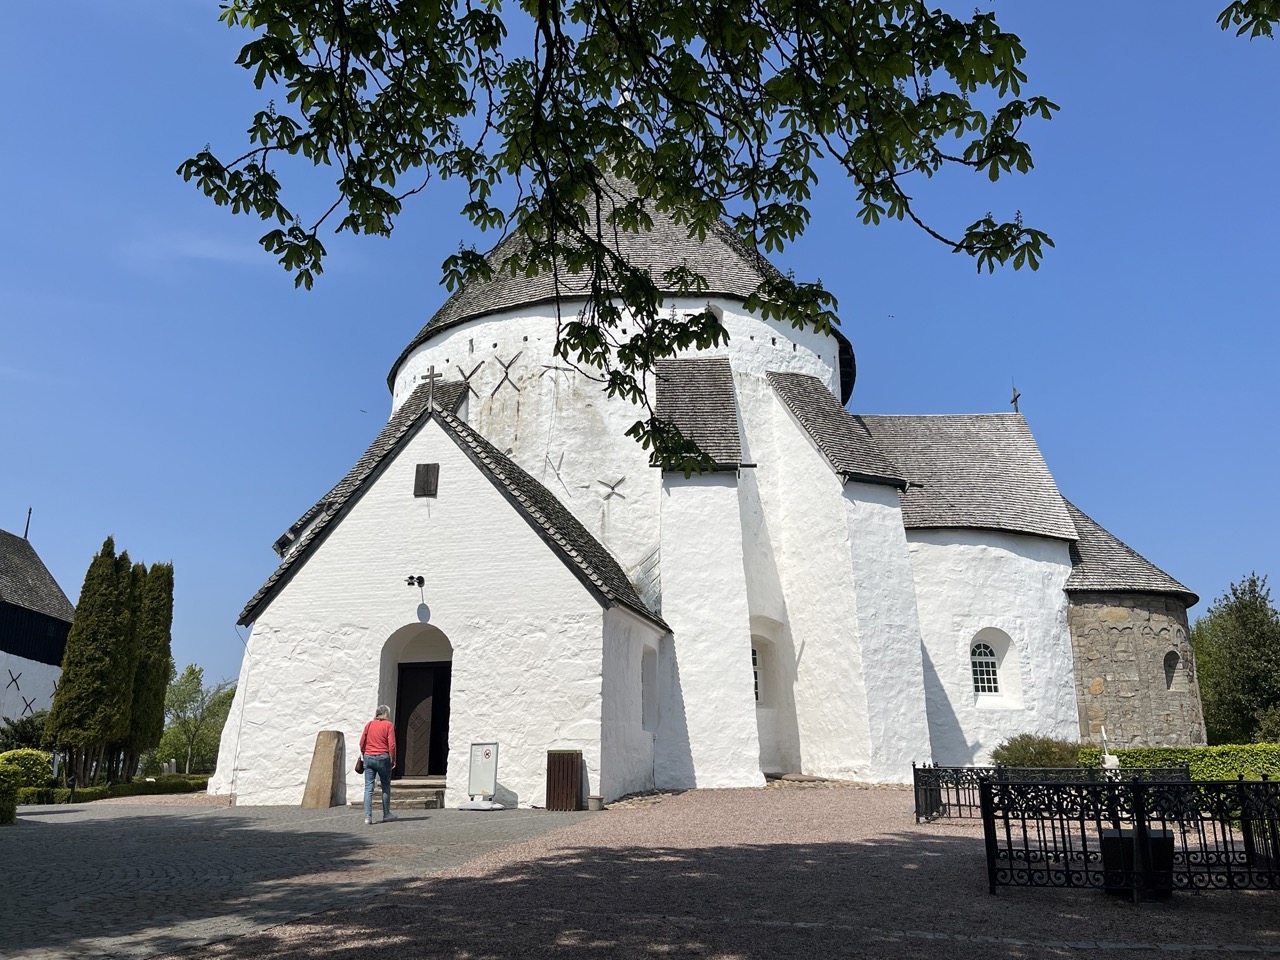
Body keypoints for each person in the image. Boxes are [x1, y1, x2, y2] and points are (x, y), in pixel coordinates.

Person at [359, 705, 398, 824]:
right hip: (382, 757)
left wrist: (364, 754)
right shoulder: (388, 725)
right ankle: (386, 814)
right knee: (385, 786)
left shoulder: (369, 724)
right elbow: (391, 744)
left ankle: (367, 817)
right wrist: (393, 759)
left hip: (368, 757)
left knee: (368, 788)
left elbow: (362, 742)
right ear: (387, 713)